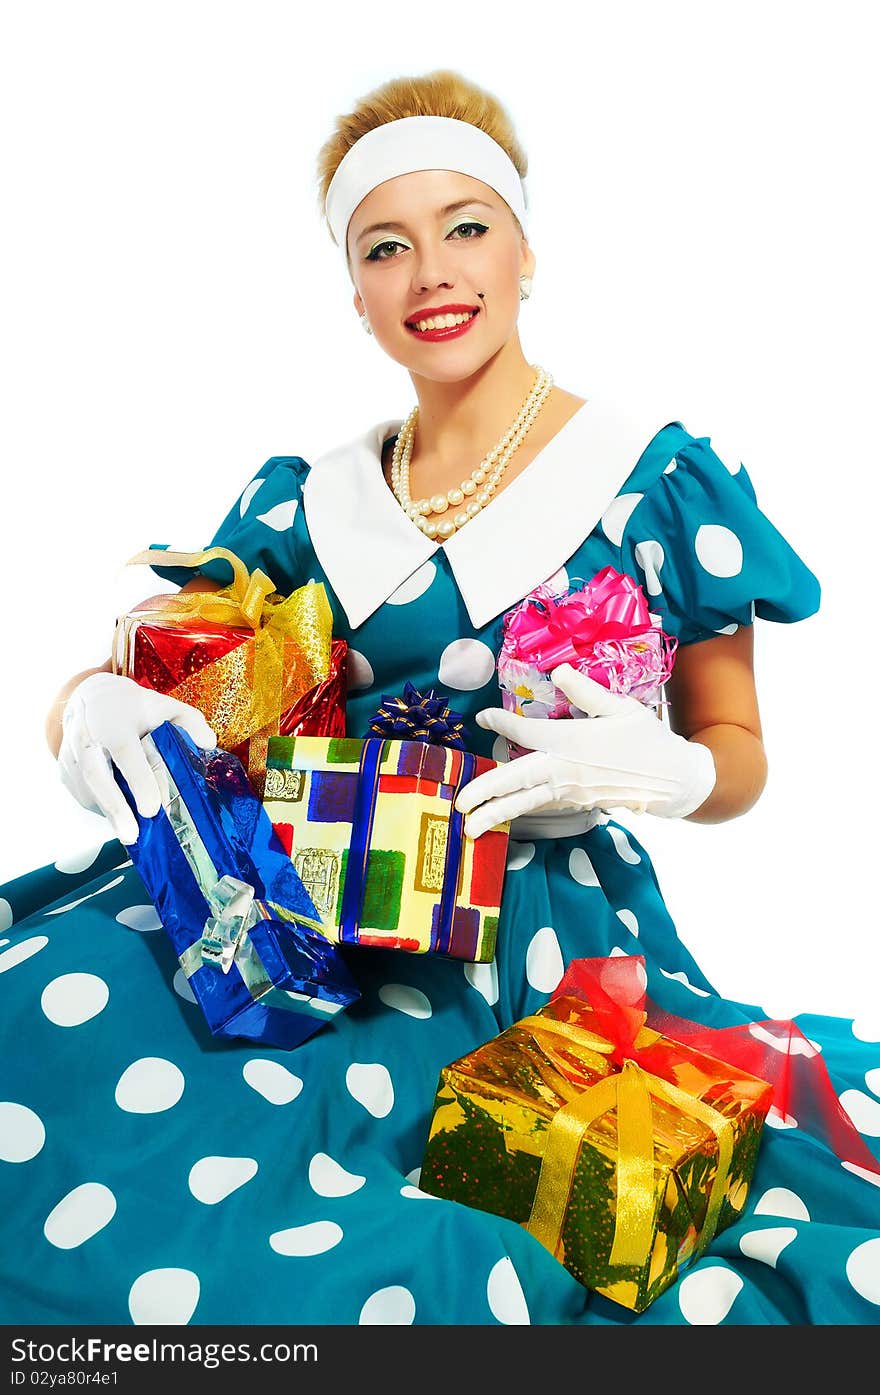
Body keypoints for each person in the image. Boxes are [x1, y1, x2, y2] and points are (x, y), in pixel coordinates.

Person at [2, 69, 878, 1329]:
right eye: (387, 247)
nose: (433, 274)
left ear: (526, 250)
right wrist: (83, 712)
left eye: (466, 227)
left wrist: (671, 773)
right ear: (354, 293)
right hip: (292, 893)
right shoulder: (304, 502)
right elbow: (164, 681)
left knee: (371, 1248)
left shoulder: (653, 482)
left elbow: (735, 754)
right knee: (43, 1018)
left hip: (518, 932)